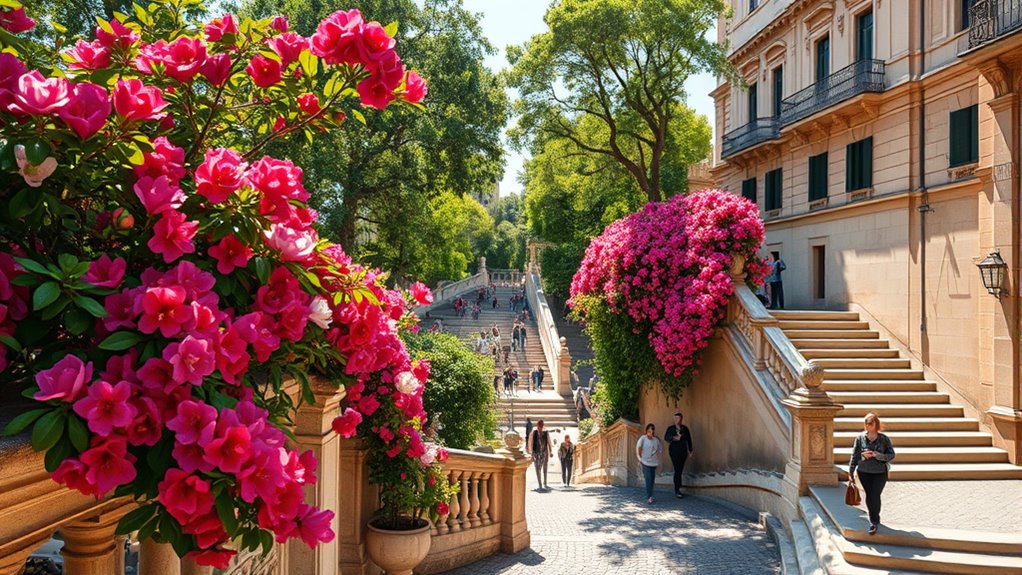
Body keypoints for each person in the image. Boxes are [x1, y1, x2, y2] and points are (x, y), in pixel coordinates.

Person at [849, 412, 896, 535]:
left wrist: (877, 455)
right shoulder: (860, 438)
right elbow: (854, 456)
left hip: (879, 472)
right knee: (870, 496)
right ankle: (874, 520)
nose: (867, 425)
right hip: (864, 472)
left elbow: (891, 455)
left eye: (870, 423)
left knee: (875, 494)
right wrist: (851, 471)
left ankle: (874, 520)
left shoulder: (884, 439)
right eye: (866, 423)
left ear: (876, 424)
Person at [664, 412, 694, 498]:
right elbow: (666, 437)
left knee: (679, 470)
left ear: (681, 419)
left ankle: (678, 486)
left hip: (683, 452)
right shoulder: (671, 428)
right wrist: (674, 437)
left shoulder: (685, 429)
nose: (676, 420)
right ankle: (677, 489)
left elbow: (689, 439)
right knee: (677, 469)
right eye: (675, 418)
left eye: (678, 418)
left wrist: (690, 450)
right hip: (674, 452)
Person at [636, 423, 662, 504]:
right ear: (646, 431)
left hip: (654, 463)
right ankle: (649, 497)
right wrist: (639, 458)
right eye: (649, 432)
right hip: (645, 462)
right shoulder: (643, 438)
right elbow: (638, 448)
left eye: (652, 432)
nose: (650, 433)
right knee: (648, 479)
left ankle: (650, 495)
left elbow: (659, 451)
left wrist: (660, 462)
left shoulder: (656, 440)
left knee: (652, 480)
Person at [527, 419, 552, 490]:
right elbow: (530, 442)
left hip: (544, 452)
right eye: (539, 426)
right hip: (536, 452)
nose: (540, 428)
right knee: (537, 468)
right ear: (537, 426)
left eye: (541, 426)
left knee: (545, 467)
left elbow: (549, 442)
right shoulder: (534, 432)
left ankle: (545, 482)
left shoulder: (546, 432)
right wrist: (530, 452)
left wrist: (550, 451)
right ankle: (540, 483)